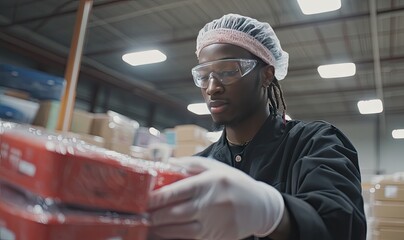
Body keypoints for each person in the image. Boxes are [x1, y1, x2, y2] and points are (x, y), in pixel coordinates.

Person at [147, 13, 367, 240]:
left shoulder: (315, 143)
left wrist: (273, 214)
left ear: (266, 75)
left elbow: (343, 225)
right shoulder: (203, 166)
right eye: (204, 75)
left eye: (228, 72)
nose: (212, 88)